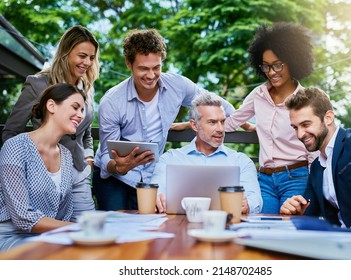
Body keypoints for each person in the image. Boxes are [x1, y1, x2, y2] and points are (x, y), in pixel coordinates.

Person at [93, 28, 238, 211]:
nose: (151, 75)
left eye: (156, 67)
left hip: (151, 176)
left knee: (149, 229)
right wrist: (118, 166)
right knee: (115, 228)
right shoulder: (112, 101)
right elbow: (107, 155)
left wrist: (197, 123)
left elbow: (220, 106)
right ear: (129, 64)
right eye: (143, 68)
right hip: (114, 178)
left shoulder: (178, 86)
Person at [1, 25, 99, 221]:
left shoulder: (86, 88)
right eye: (82, 56)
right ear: (65, 52)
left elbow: (85, 132)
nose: (87, 62)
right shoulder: (37, 84)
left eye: (91, 57)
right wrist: (24, 169)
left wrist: (88, 157)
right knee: (46, 232)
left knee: (88, 229)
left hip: (78, 173)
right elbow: (11, 131)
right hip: (44, 176)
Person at [224, 22, 319, 214]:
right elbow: (230, 122)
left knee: (289, 231)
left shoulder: (307, 100)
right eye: (266, 66)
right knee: (262, 229)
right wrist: (193, 124)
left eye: (278, 65)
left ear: (293, 61)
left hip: (297, 177)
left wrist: (314, 185)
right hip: (264, 179)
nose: (272, 72)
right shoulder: (258, 94)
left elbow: (315, 147)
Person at [280, 87, 351, 244]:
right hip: (338, 246)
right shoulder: (317, 168)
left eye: (306, 124)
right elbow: (308, 212)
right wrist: (294, 210)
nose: (299, 134)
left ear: (328, 118)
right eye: (295, 127)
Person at [0, 83, 85, 251]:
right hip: (10, 238)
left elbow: (65, 214)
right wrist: (77, 229)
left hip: (48, 239)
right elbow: (22, 217)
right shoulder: (15, 148)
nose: (80, 115)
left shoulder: (66, 156)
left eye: (82, 110)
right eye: (75, 108)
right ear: (51, 106)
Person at [151, 91, 262, 214]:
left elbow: (255, 200)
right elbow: (156, 191)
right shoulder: (170, 159)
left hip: (225, 228)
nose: (220, 129)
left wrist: (248, 205)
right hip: (178, 226)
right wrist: (158, 199)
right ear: (194, 125)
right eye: (212, 122)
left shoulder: (242, 162)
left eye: (222, 122)